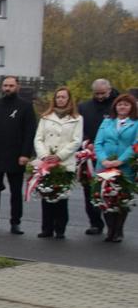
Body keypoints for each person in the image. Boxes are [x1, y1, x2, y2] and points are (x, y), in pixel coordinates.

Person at [0, 75, 38, 234]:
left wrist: (26, 154)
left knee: (16, 191)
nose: (7, 88)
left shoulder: (25, 106)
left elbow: (29, 132)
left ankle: (15, 222)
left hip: (16, 155)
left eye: (11, 85)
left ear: (17, 87)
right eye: (5, 85)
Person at [33, 87, 81, 240]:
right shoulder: (46, 117)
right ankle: (46, 228)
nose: (60, 99)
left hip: (64, 162)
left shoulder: (77, 118)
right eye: (58, 97)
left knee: (61, 197)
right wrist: (44, 155)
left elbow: (76, 141)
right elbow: (38, 138)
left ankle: (60, 228)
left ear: (69, 99)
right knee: (46, 195)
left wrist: (59, 156)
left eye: (63, 97)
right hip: (46, 161)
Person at [92, 92, 138, 243]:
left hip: (124, 167)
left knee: (121, 198)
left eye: (126, 104)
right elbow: (98, 142)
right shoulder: (107, 122)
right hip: (104, 166)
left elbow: (135, 145)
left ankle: (118, 230)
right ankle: (110, 229)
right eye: (119, 104)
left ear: (131, 107)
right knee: (105, 197)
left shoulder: (135, 123)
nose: (122, 107)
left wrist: (120, 160)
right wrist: (104, 159)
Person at [78, 79, 117, 235]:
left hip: (110, 155)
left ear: (109, 90)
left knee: (110, 190)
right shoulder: (84, 107)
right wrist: (86, 142)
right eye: (97, 94)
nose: (100, 96)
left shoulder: (116, 106)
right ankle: (95, 222)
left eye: (103, 93)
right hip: (89, 154)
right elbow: (79, 128)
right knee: (89, 190)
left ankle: (113, 225)